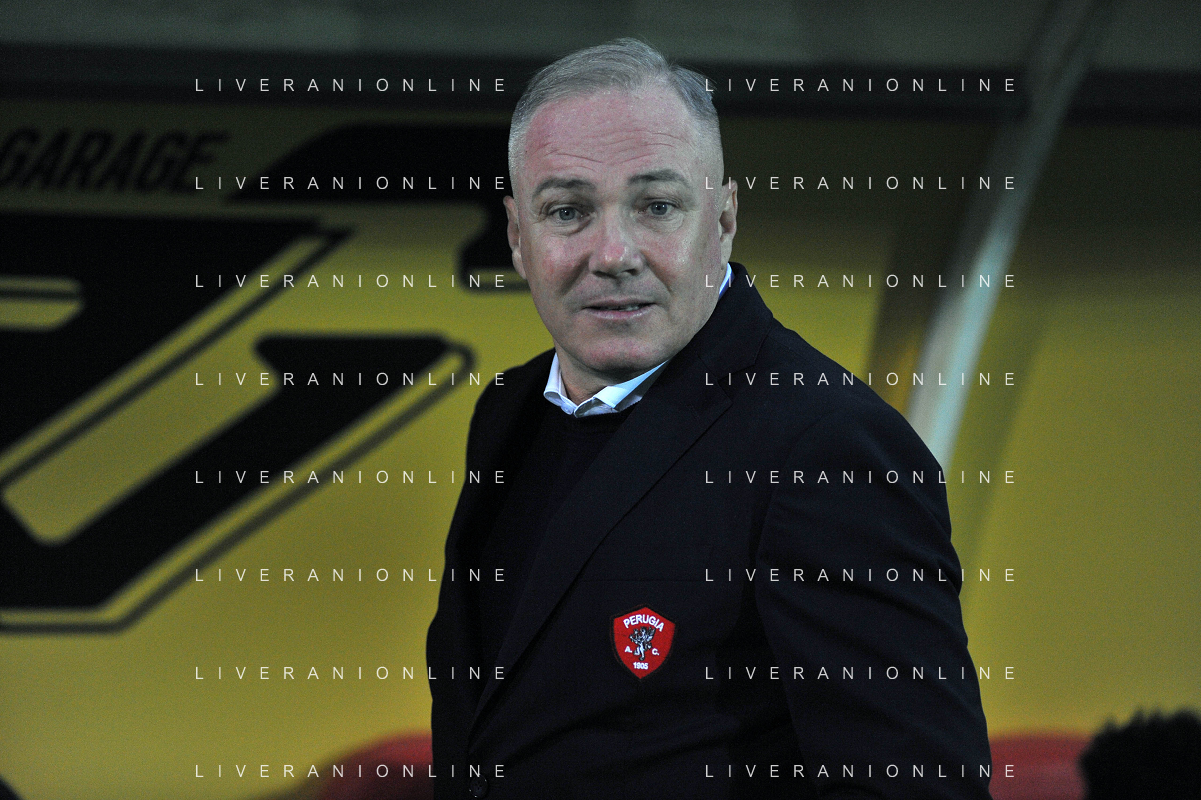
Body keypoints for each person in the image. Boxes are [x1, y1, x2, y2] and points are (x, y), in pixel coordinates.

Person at [426, 38, 991, 799]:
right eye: (567, 211)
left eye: (656, 207)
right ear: (518, 238)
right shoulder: (508, 411)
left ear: (722, 220)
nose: (613, 253)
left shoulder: (825, 446)